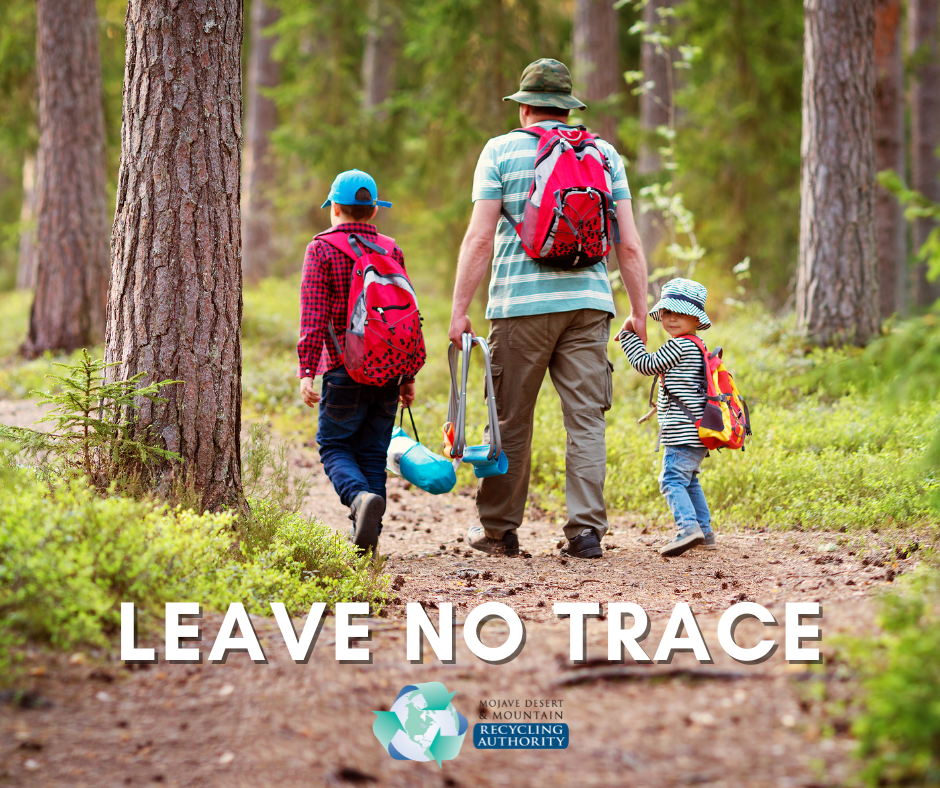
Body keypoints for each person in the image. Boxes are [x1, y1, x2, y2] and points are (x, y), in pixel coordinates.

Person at [449, 58, 650, 559]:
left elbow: (479, 239)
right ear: (566, 108)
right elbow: (628, 245)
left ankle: (498, 531)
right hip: (589, 305)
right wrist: (639, 312)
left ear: (525, 109)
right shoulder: (604, 154)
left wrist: (459, 310)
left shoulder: (499, 151)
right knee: (586, 420)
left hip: (520, 307)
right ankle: (585, 533)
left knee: (511, 419)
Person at [297, 169, 416, 555]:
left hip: (342, 369)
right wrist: (407, 374)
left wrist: (307, 371)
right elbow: (405, 315)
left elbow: (313, 315)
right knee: (371, 452)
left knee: (333, 445)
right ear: (373, 211)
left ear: (334, 208)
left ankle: (357, 500)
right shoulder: (390, 248)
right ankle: (368, 542)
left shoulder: (321, 249)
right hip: (388, 370)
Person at [618, 278, 716, 557]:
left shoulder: (679, 346)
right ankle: (705, 532)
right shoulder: (698, 344)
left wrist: (628, 336)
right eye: (668, 313)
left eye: (681, 313)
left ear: (696, 318)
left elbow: (645, 364)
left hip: (681, 432)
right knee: (689, 480)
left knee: (671, 480)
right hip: (698, 431)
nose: (672, 319)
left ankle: (688, 528)